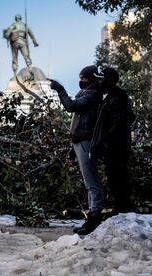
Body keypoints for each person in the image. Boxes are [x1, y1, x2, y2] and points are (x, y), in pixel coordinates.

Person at [50, 65, 105, 235]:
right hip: (80, 141)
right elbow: (77, 121)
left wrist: (60, 89)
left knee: (92, 183)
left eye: (84, 78)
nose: (80, 81)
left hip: (86, 141)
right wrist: (72, 151)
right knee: (89, 183)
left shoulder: (93, 94)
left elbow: (71, 106)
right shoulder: (86, 92)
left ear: (92, 79)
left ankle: (94, 219)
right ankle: (91, 218)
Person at [90, 67, 135, 214]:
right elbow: (131, 117)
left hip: (116, 147)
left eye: (102, 79)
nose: (99, 82)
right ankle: (121, 207)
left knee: (117, 177)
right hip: (118, 146)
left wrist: (105, 139)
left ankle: (121, 208)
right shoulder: (115, 97)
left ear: (109, 81)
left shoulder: (115, 99)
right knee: (117, 177)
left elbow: (119, 122)